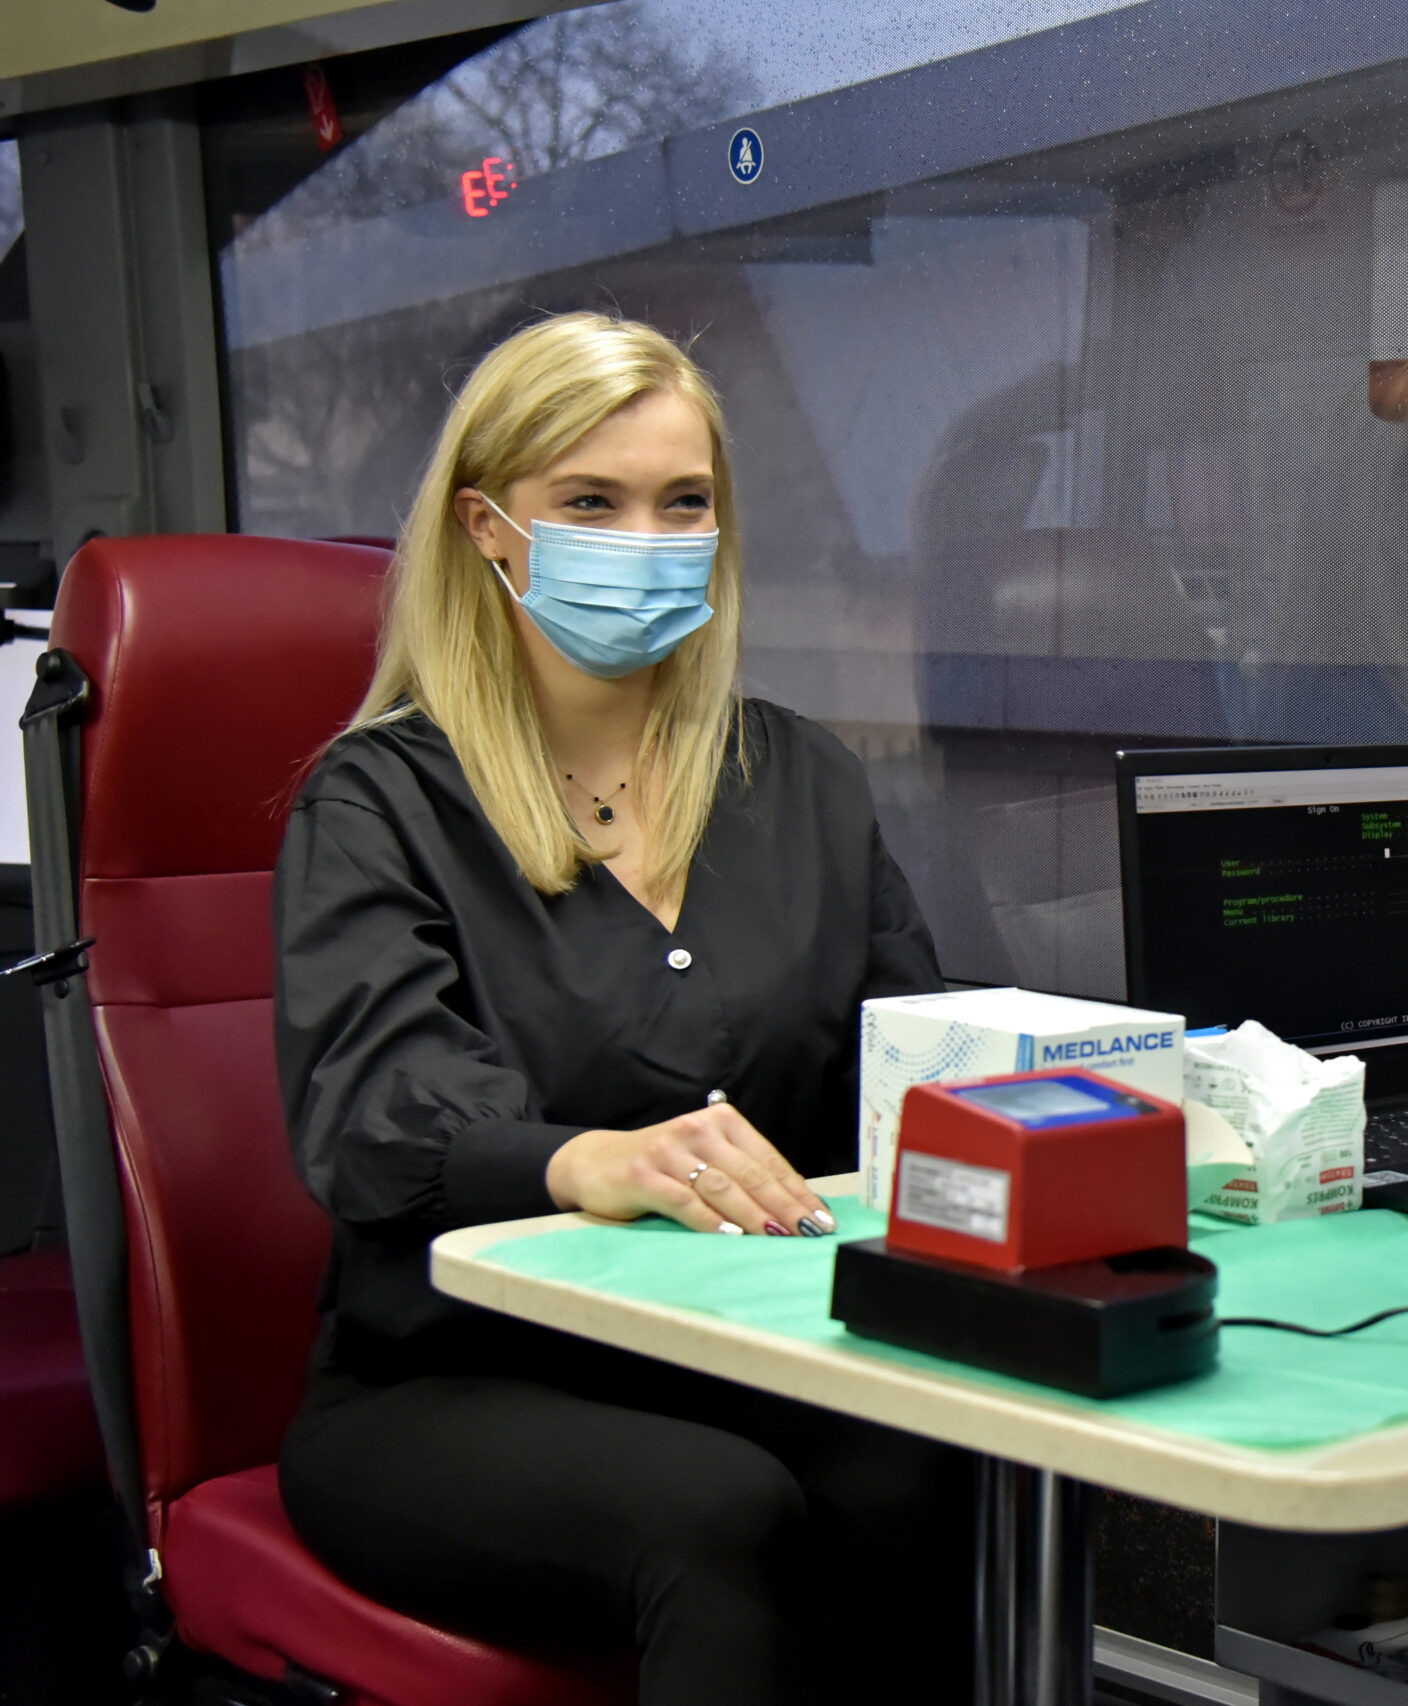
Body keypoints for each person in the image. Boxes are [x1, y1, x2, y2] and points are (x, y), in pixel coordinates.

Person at [272, 312, 971, 1704]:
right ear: (489, 525)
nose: (645, 537)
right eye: (590, 501)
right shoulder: (380, 799)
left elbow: (919, 1070)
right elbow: (369, 1113)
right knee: (718, 1513)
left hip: (736, 1344)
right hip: (446, 1380)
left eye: (683, 502)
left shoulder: (804, 782)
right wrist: (590, 1159)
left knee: (930, 1460)